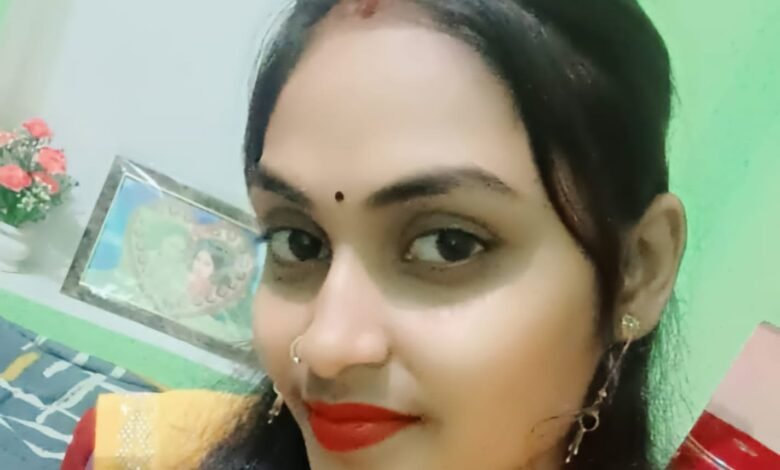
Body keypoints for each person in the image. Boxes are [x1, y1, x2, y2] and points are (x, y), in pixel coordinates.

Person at [62, 0, 687, 469]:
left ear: (640, 271)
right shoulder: (144, 453)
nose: (326, 345)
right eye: (298, 242)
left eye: (448, 244)